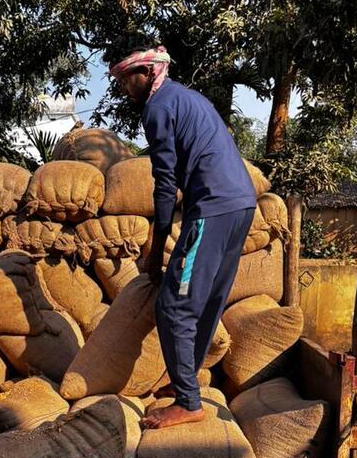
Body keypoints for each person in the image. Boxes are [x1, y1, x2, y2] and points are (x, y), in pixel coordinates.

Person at [106, 40, 257, 429]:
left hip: (213, 206)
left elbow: (164, 183)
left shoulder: (158, 107)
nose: (125, 88)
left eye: (126, 80)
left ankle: (189, 401)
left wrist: (155, 250)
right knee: (206, 301)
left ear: (147, 72)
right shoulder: (187, 98)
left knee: (173, 305)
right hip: (239, 204)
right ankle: (184, 384)